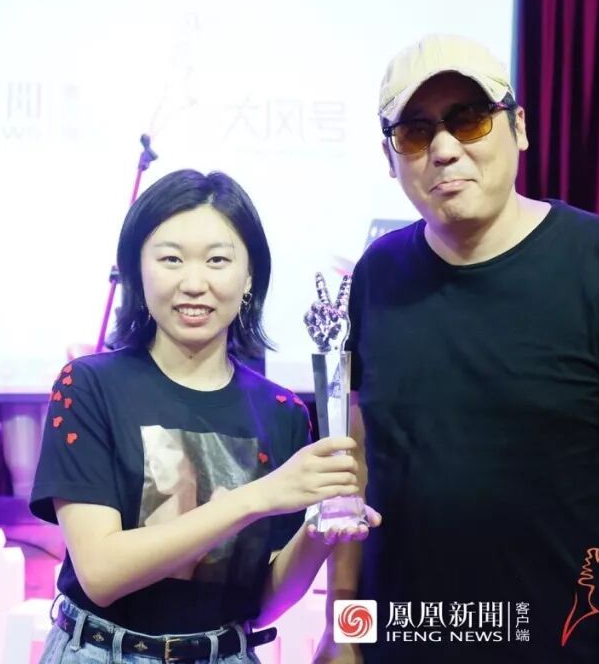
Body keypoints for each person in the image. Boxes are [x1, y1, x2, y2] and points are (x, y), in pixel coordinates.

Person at [313, 34, 599, 664]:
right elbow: (358, 462)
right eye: (415, 132)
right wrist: (345, 628)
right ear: (390, 158)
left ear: (519, 128)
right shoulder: (378, 273)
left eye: (468, 119)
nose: (443, 149)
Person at [31, 169, 380, 664]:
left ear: (250, 276)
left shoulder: (280, 412)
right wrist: (257, 497)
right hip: (101, 651)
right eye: (171, 259)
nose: (194, 284)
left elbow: (262, 603)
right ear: (136, 270)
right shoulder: (89, 386)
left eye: (218, 260)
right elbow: (102, 574)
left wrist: (318, 534)